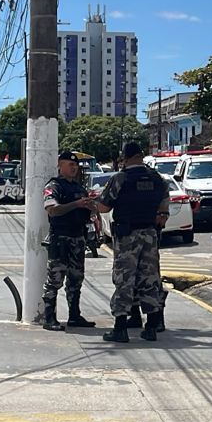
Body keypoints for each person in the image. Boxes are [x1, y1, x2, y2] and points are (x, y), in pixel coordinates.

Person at [96, 141, 168, 343]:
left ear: (126, 158)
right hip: (150, 234)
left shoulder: (120, 179)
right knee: (150, 278)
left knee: (124, 279)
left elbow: (103, 207)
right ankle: (152, 326)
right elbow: (164, 205)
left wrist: (90, 204)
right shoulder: (157, 178)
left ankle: (120, 328)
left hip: (127, 236)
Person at [41, 151, 99, 332]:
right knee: (55, 280)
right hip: (61, 239)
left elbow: (90, 212)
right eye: (70, 165)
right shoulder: (54, 186)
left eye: (75, 166)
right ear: (60, 166)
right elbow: (52, 209)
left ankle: (74, 315)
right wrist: (76, 204)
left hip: (78, 238)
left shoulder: (79, 188)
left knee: (76, 279)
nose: (74, 168)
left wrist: (91, 208)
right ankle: (49, 318)